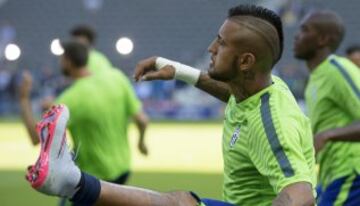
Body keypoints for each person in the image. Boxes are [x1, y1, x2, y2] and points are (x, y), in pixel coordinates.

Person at [26, 5, 315, 206]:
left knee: (180, 203)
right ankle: (71, 181)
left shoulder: (273, 122)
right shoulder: (259, 89)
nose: (211, 49)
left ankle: (69, 181)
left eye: (222, 43)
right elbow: (234, 94)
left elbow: (300, 194)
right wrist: (178, 70)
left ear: (246, 61)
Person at [19, 41, 148, 187]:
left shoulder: (70, 99)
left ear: (67, 61)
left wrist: (24, 99)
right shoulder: (117, 77)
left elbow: (37, 138)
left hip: (94, 178)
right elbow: (142, 120)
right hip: (123, 169)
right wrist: (141, 143)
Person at [294, 10, 360, 205]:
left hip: (351, 173)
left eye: (305, 30)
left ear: (323, 39)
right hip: (331, 175)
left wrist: (327, 135)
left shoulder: (336, 70)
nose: (297, 35)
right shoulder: (315, 77)